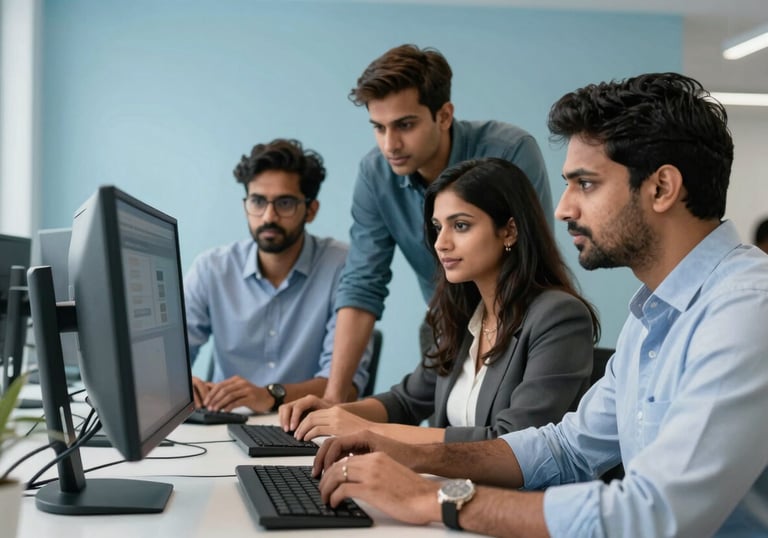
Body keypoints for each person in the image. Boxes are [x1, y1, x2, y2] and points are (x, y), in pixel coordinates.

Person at [312, 73, 768, 537]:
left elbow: (652, 514)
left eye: (585, 184)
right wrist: (407, 451)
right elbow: (566, 448)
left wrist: (431, 498)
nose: (562, 208)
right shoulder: (651, 317)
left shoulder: (745, 312)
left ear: (661, 188)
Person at [281, 158, 599, 444]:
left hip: (517, 505)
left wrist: (366, 431)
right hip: (448, 491)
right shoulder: (461, 315)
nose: (441, 243)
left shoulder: (559, 317)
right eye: (437, 227)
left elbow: (511, 442)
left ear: (510, 231)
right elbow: (406, 402)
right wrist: (333, 412)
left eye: (460, 226)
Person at [314, 43, 554, 404]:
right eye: (378, 128)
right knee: (435, 434)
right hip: (446, 323)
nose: (389, 144)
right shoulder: (375, 174)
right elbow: (363, 284)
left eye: (404, 125)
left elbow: (530, 258)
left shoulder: (510, 151)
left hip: (517, 321)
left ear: (443, 115)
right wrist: (333, 402)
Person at [183, 138, 372, 413]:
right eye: (257, 201)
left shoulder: (343, 266)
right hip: (220, 427)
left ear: (311, 210)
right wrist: (178, 383)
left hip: (306, 428)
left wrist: (271, 395)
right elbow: (165, 364)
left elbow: (346, 388)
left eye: (284, 203)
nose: (268, 216)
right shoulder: (212, 268)